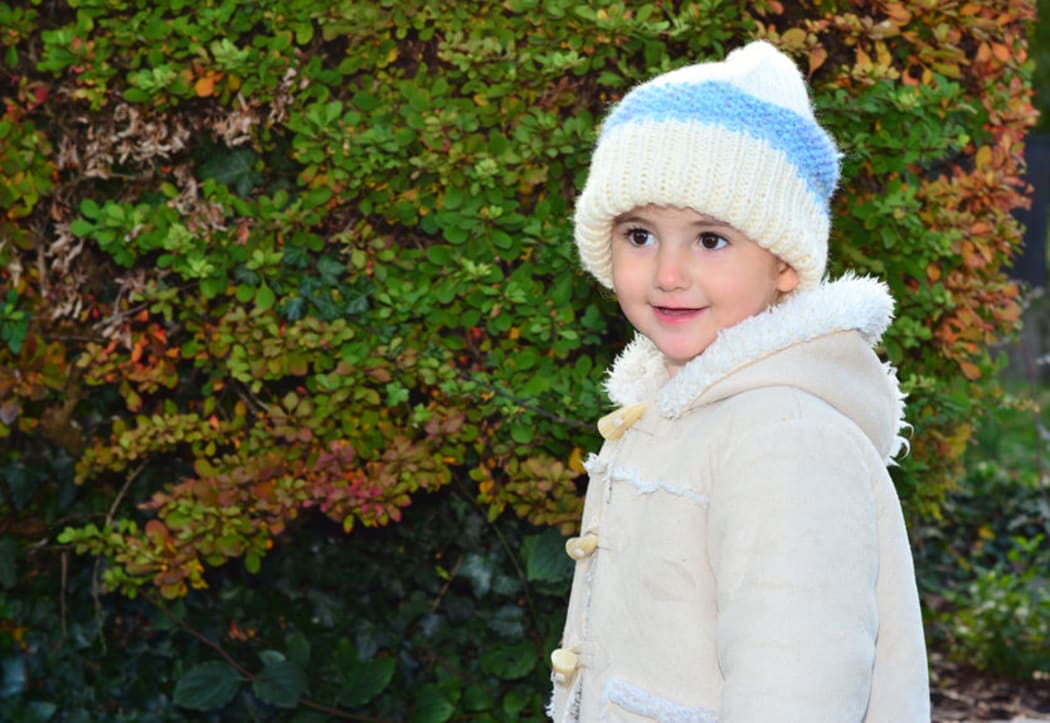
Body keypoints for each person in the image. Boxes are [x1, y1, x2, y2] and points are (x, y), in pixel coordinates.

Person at [547, 40, 930, 721]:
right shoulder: (675, 411)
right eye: (639, 235)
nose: (668, 273)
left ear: (785, 263)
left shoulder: (787, 440)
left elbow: (796, 692)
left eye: (710, 240)